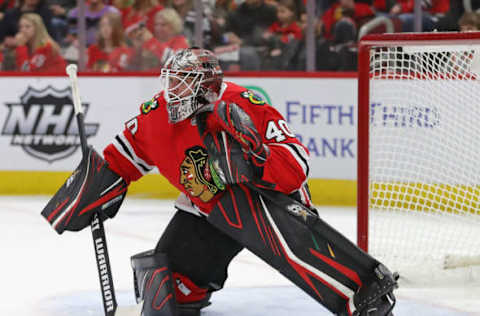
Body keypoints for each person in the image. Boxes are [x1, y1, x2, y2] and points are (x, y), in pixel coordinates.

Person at [41, 48, 398, 316]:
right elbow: (120, 160)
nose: (172, 90)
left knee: (279, 232)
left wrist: (257, 161)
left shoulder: (244, 104)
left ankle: (361, 288)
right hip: (206, 208)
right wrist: (92, 189)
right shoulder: (154, 118)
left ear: (207, 86)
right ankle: (201, 280)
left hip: (263, 201)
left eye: (184, 82)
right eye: (171, 80)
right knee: (172, 294)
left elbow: (298, 164)